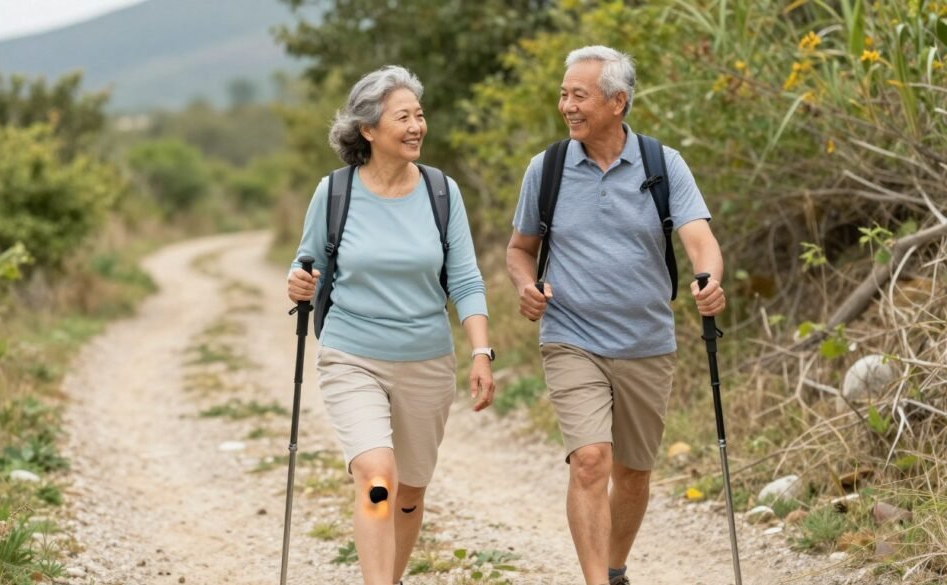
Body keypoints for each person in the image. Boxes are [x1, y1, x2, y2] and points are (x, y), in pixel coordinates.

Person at [506, 46, 726, 585]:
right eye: (564, 95)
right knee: (590, 461)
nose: (567, 106)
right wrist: (526, 286)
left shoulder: (662, 163)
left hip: (647, 341)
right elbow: (519, 250)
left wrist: (710, 279)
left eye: (578, 95)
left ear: (618, 101)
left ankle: (615, 568)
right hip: (571, 336)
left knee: (632, 473)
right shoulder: (548, 167)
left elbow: (700, 239)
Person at [287, 65, 495, 585]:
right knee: (379, 479)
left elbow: (465, 279)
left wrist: (480, 352)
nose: (416, 126)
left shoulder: (441, 192)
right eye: (402, 116)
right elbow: (307, 262)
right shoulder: (335, 193)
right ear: (368, 129)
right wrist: (297, 282)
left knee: (409, 492)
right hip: (351, 355)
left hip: (427, 360)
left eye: (419, 115)